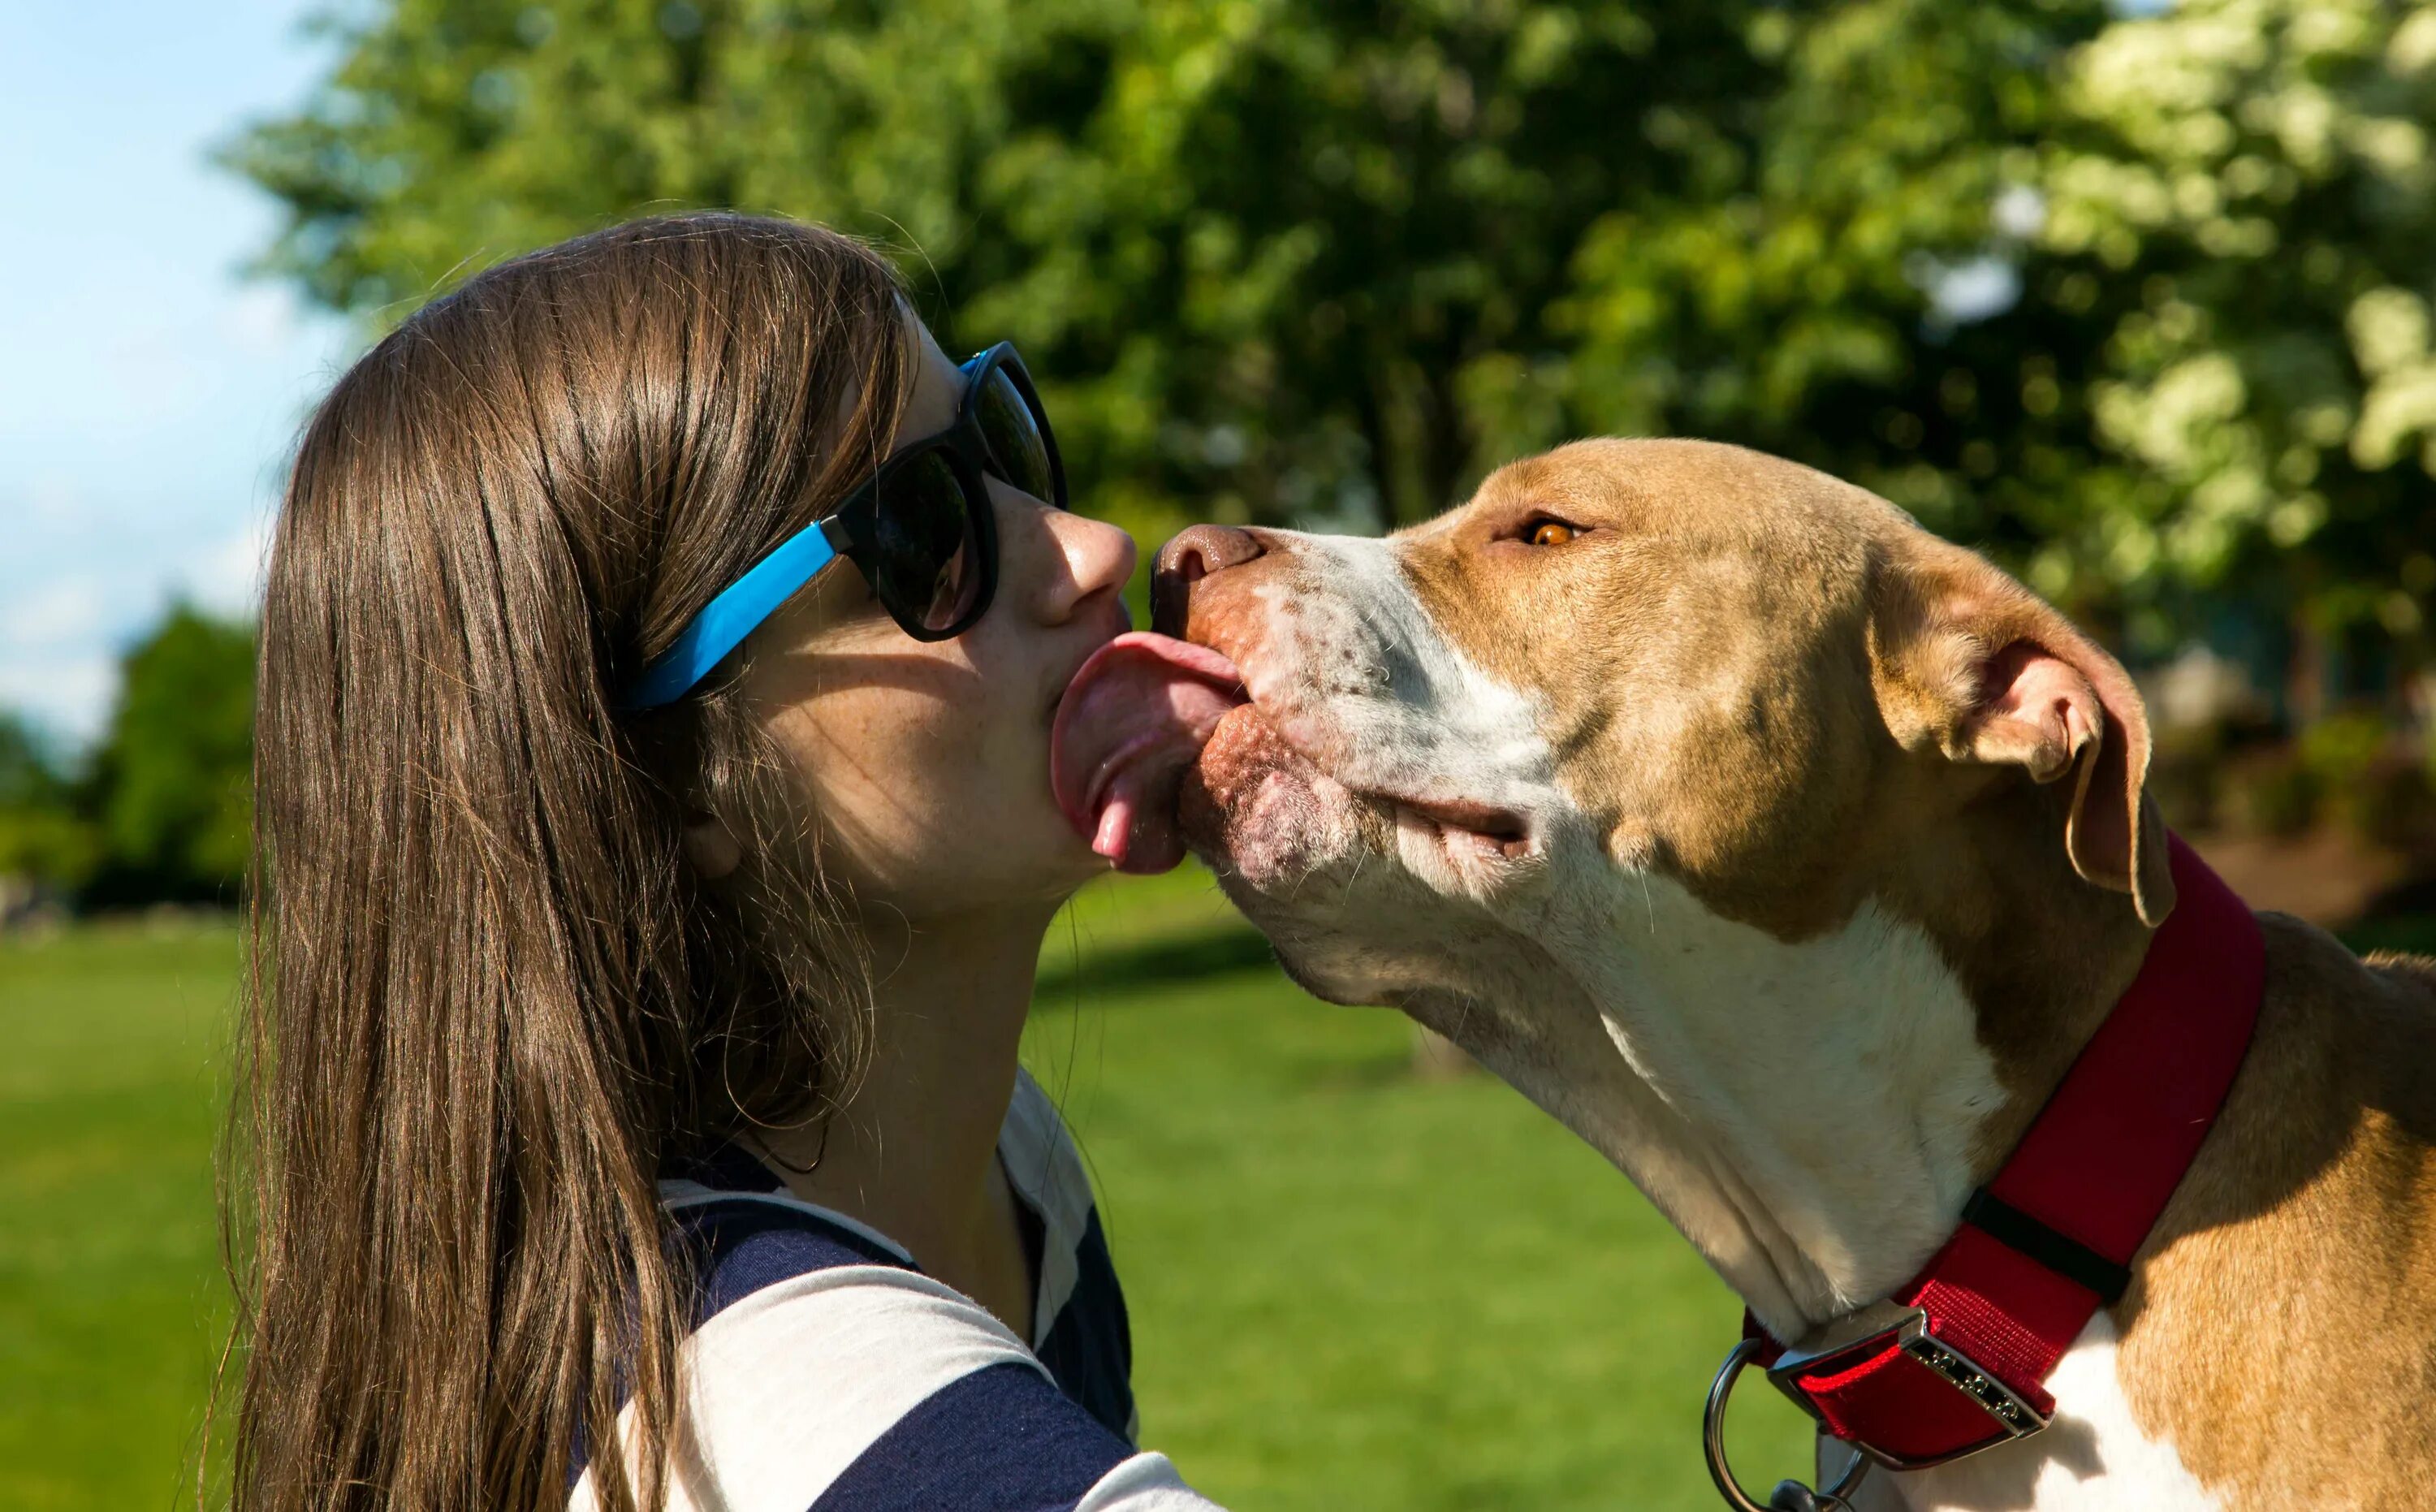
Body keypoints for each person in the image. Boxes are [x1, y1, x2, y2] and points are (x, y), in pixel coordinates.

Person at [228, 214, 1223, 1511]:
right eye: (925, 535)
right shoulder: (802, 1419)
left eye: (1002, 440)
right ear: (671, 776)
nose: (1091, 546)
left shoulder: (1009, 1167)